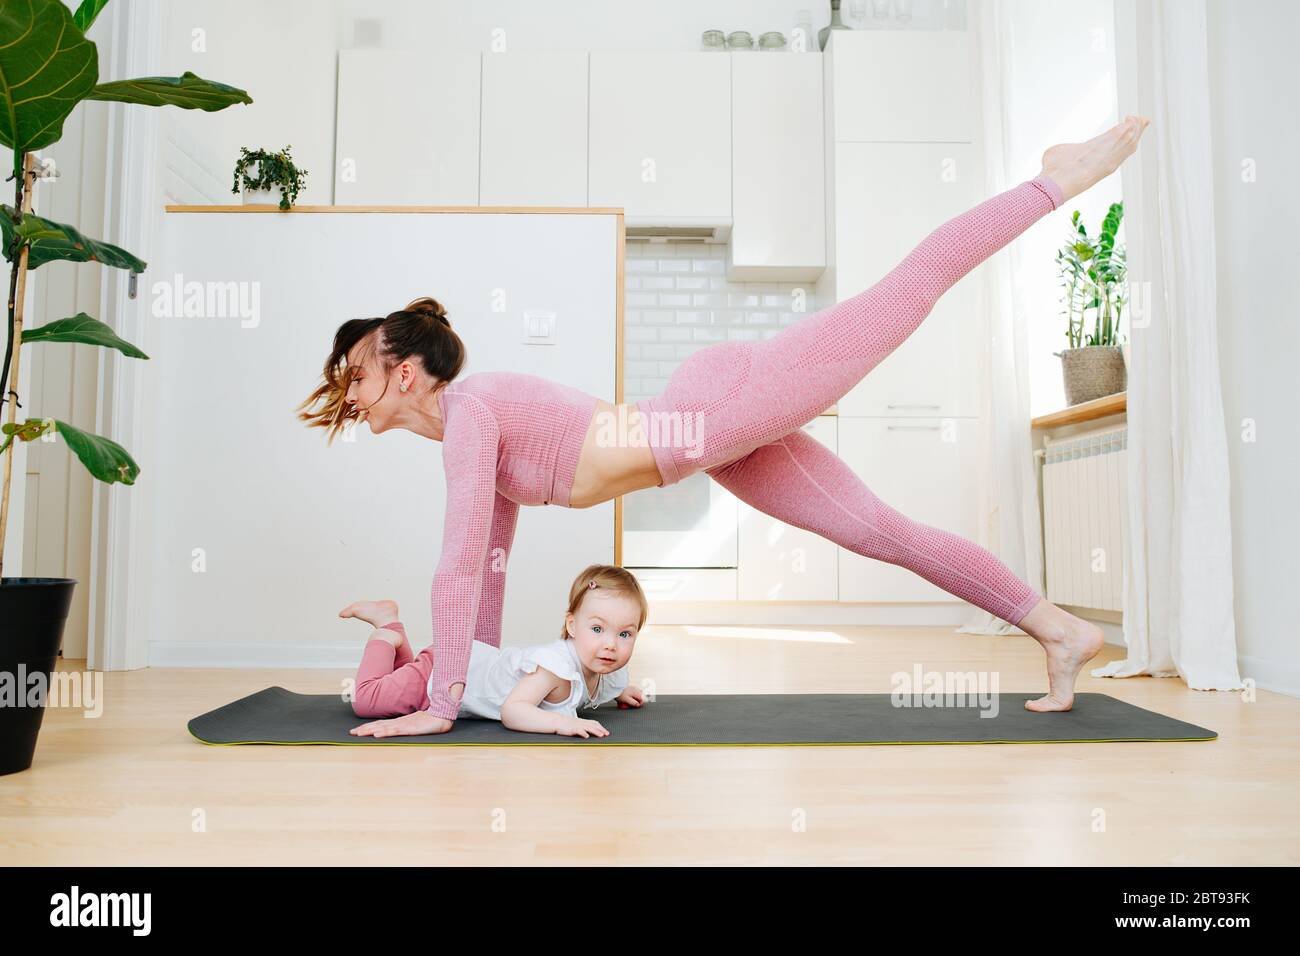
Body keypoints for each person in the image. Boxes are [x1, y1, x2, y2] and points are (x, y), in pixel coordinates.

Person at [297, 117, 1152, 737]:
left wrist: (440, 706)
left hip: (711, 416)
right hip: (705, 439)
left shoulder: (472, 408)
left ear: (403, 372)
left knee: (901, 296)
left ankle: (1056, 180)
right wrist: (475, 684)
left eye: (359, 376)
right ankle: (1062, 630)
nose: (353, 395)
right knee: (879, 531)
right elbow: (485, 561)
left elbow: (453, 561)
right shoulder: (473, 429)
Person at [344, 564, 646, 739]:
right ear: (571, 625)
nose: (611, 645)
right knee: (365, 699)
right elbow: (513, 711)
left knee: (396, 682)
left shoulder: (609, 671)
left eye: (624, 634)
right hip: (441, 675)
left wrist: (619, 692)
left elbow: (598, 684)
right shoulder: (554, 669)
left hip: (462, 662)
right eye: (597, 629)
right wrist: (563, 723)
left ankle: (396, 636)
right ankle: (386, 628)